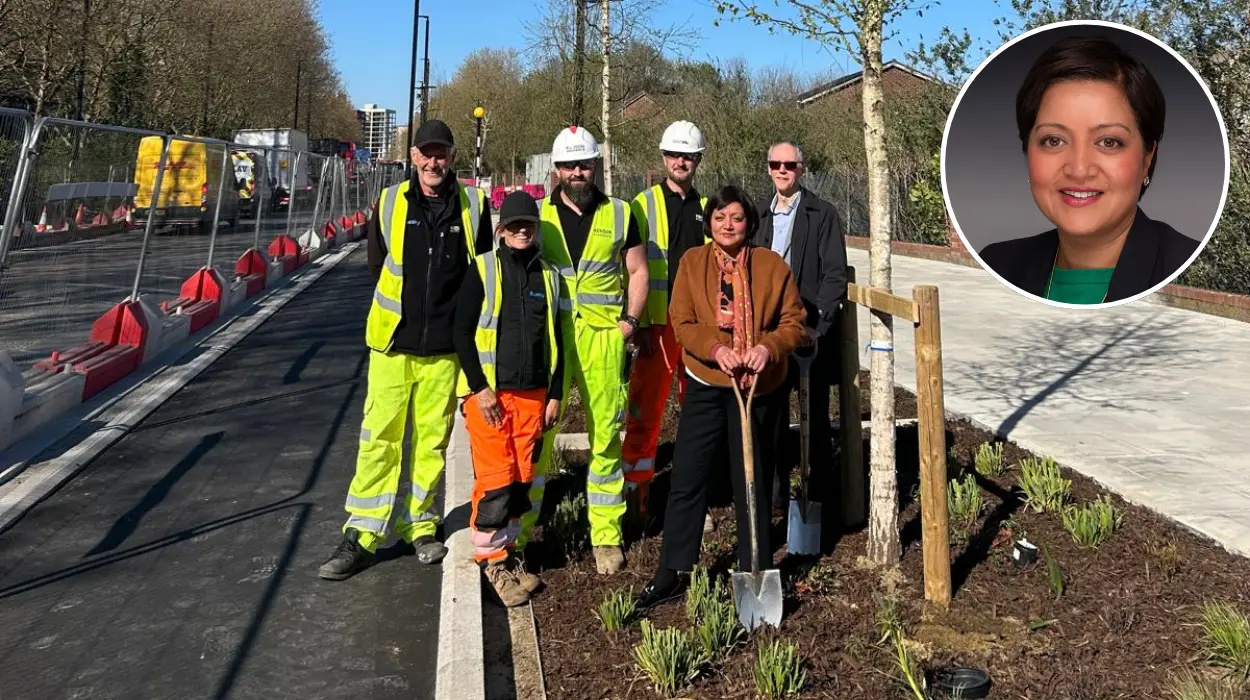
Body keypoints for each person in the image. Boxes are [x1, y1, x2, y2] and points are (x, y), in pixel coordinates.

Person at [319, 119, 492, 581]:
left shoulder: (474, 205)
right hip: (393, 344)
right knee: (379, 438)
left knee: (431, 443)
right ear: (413, 157)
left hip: (443, 351)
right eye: (425, 153)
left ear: (452, 157)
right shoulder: (392, 201)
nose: (433, 161)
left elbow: (483, 273)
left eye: (441, 153)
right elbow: (379, 266)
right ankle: (363, 535)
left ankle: (420, 525)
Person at [633, 185, 808, 610]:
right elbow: (682, 320)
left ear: (749, 223)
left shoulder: (770, 265)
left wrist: (768, 347)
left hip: (759, 389)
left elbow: (794, 320)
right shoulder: (693, 264)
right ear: (709, 223)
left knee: (754, 480)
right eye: (719, 218)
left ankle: (755, 565)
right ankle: (673, 570)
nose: (727, 226)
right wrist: (717, 349)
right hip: (709, 384)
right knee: (688, 477)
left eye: (736, 218)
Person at [978, 35, 1199, 304]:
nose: (1079, 169)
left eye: (1109, 142)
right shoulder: (999, 264)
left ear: (1147, 158)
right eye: (1053, 141)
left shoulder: (1190, 267)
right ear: (1028, 152)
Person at [528, 125, 650, 576]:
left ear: (596, 166)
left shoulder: (620, 213)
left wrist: (629, 323)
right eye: (569, 165)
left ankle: (605, 535)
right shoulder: (537, 218)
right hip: (554, 339)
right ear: (556, 170)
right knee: (538, 434)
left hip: (603, 338)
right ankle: (523, 529)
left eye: (584, 164)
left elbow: (637, 271)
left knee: (604, 438)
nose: (577, 172)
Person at [453, 191, 564, 607]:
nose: (521, 230)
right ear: (501, 229)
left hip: (534, 397)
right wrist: (479, 388)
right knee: (496, 481)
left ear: (535, 229)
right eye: (514, 224)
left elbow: (558, 342)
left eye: (528, 225)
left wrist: (555, 394)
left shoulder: (549, 277)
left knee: (520, 482)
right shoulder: (482, 270)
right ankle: (491, 563)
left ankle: (509, 554)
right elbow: (462, 333)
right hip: (491, 397)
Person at [752, 141, 849, 538]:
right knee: (770, 420)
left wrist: (816, 326)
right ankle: (774, 498)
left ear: (801, 168)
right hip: (767, 337)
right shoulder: (758, 214)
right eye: (775, 164)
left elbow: (834, 275)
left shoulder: (821, 214)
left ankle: (818, 496)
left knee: (816, 424)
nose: (781, 170)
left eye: (788, 164)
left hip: (807, 334)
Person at [621, 120, 709, 520]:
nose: (681, 162)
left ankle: (691, 498)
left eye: (688, 156)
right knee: (644, 412)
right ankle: (637, 496)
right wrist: (633, 320)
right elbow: (630, 269)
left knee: (696, 414)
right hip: (655, 327)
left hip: (696, 330)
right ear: (663, 157)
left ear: (698, 161)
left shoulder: (708, 210)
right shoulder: (641, 204)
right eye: (674, 155)